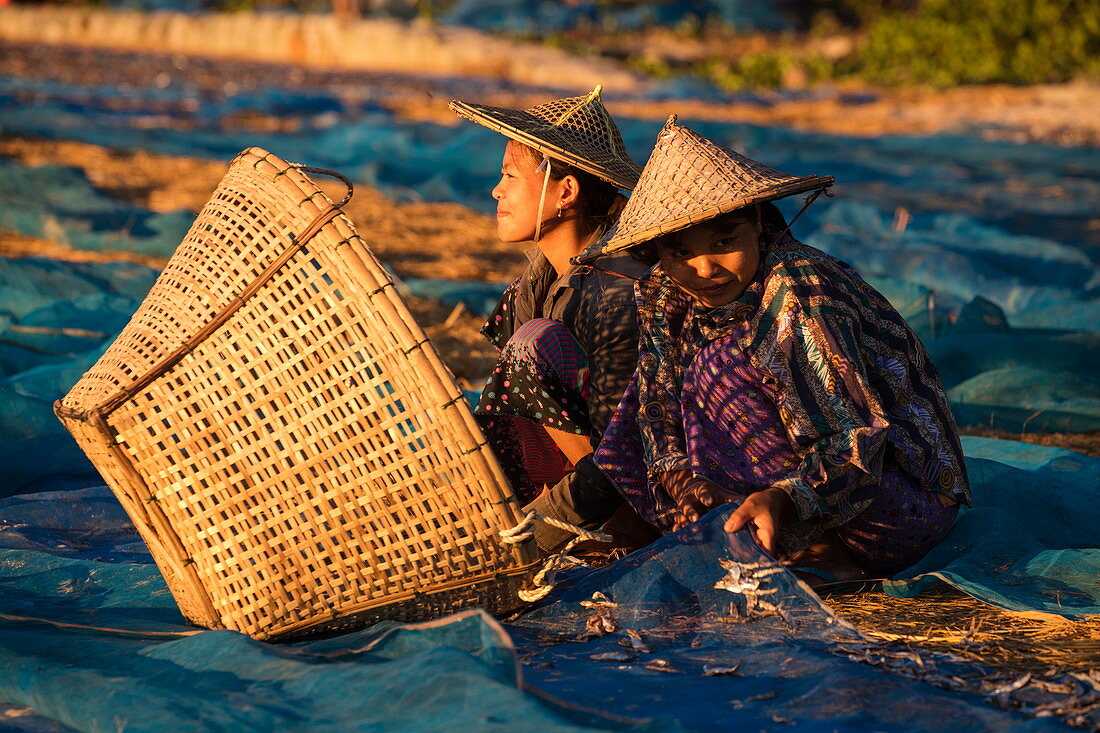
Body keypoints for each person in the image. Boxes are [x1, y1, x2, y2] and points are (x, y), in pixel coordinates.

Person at [537, 116, 971, 585]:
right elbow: (657, 404)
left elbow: (855, 441)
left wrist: (786, 499)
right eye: (680, 252)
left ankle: (824, 552)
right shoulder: (662, 292)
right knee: (638, 406)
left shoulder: (798, 290)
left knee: (717, 366)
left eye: (725, 242)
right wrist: (683, 481)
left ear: (759, 227)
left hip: (893, 504)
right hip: (776, 499)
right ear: (656, 254)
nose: (705, 268)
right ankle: (735, 529)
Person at [449, 86, 653, 522]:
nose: (495, 191)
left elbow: (629, 440)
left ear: (566, 192)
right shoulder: (538, 280)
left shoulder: (615, 291)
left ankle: (606, 526)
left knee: (531, 345)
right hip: (582, 478)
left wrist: (547, 524)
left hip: (628, 489)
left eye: (509, 176)